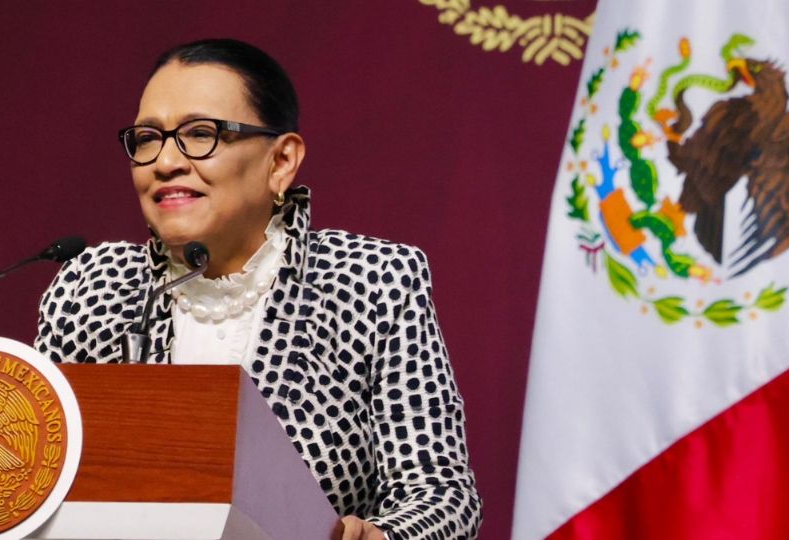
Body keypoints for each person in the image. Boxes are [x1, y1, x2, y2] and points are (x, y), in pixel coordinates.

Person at [35, 38, 482, 539]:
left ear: (281, 162)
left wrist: (384, 536)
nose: (164, 163)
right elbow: (37, 481)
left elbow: (440, 492)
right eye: (146, 138)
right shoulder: (91, 285)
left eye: (200, 134)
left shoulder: (372, 279)